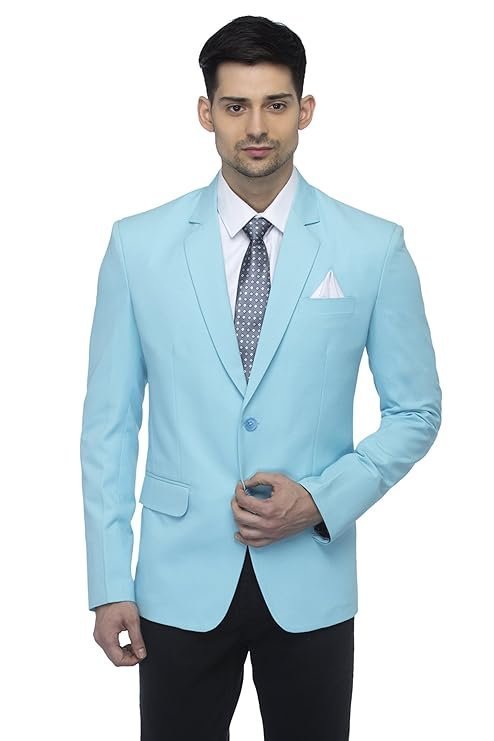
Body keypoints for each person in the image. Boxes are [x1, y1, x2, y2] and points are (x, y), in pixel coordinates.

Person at [79, 14, 442, 741]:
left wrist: (322, 499)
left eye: (276, 104)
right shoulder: (138, 246)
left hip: (312, 578)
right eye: (236, 105)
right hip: (176, 581)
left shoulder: (372, 247)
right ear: (205, 112)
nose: (256, 127)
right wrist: (110, 579)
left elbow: (416, 410)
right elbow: (109, 425)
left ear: (305, 110)